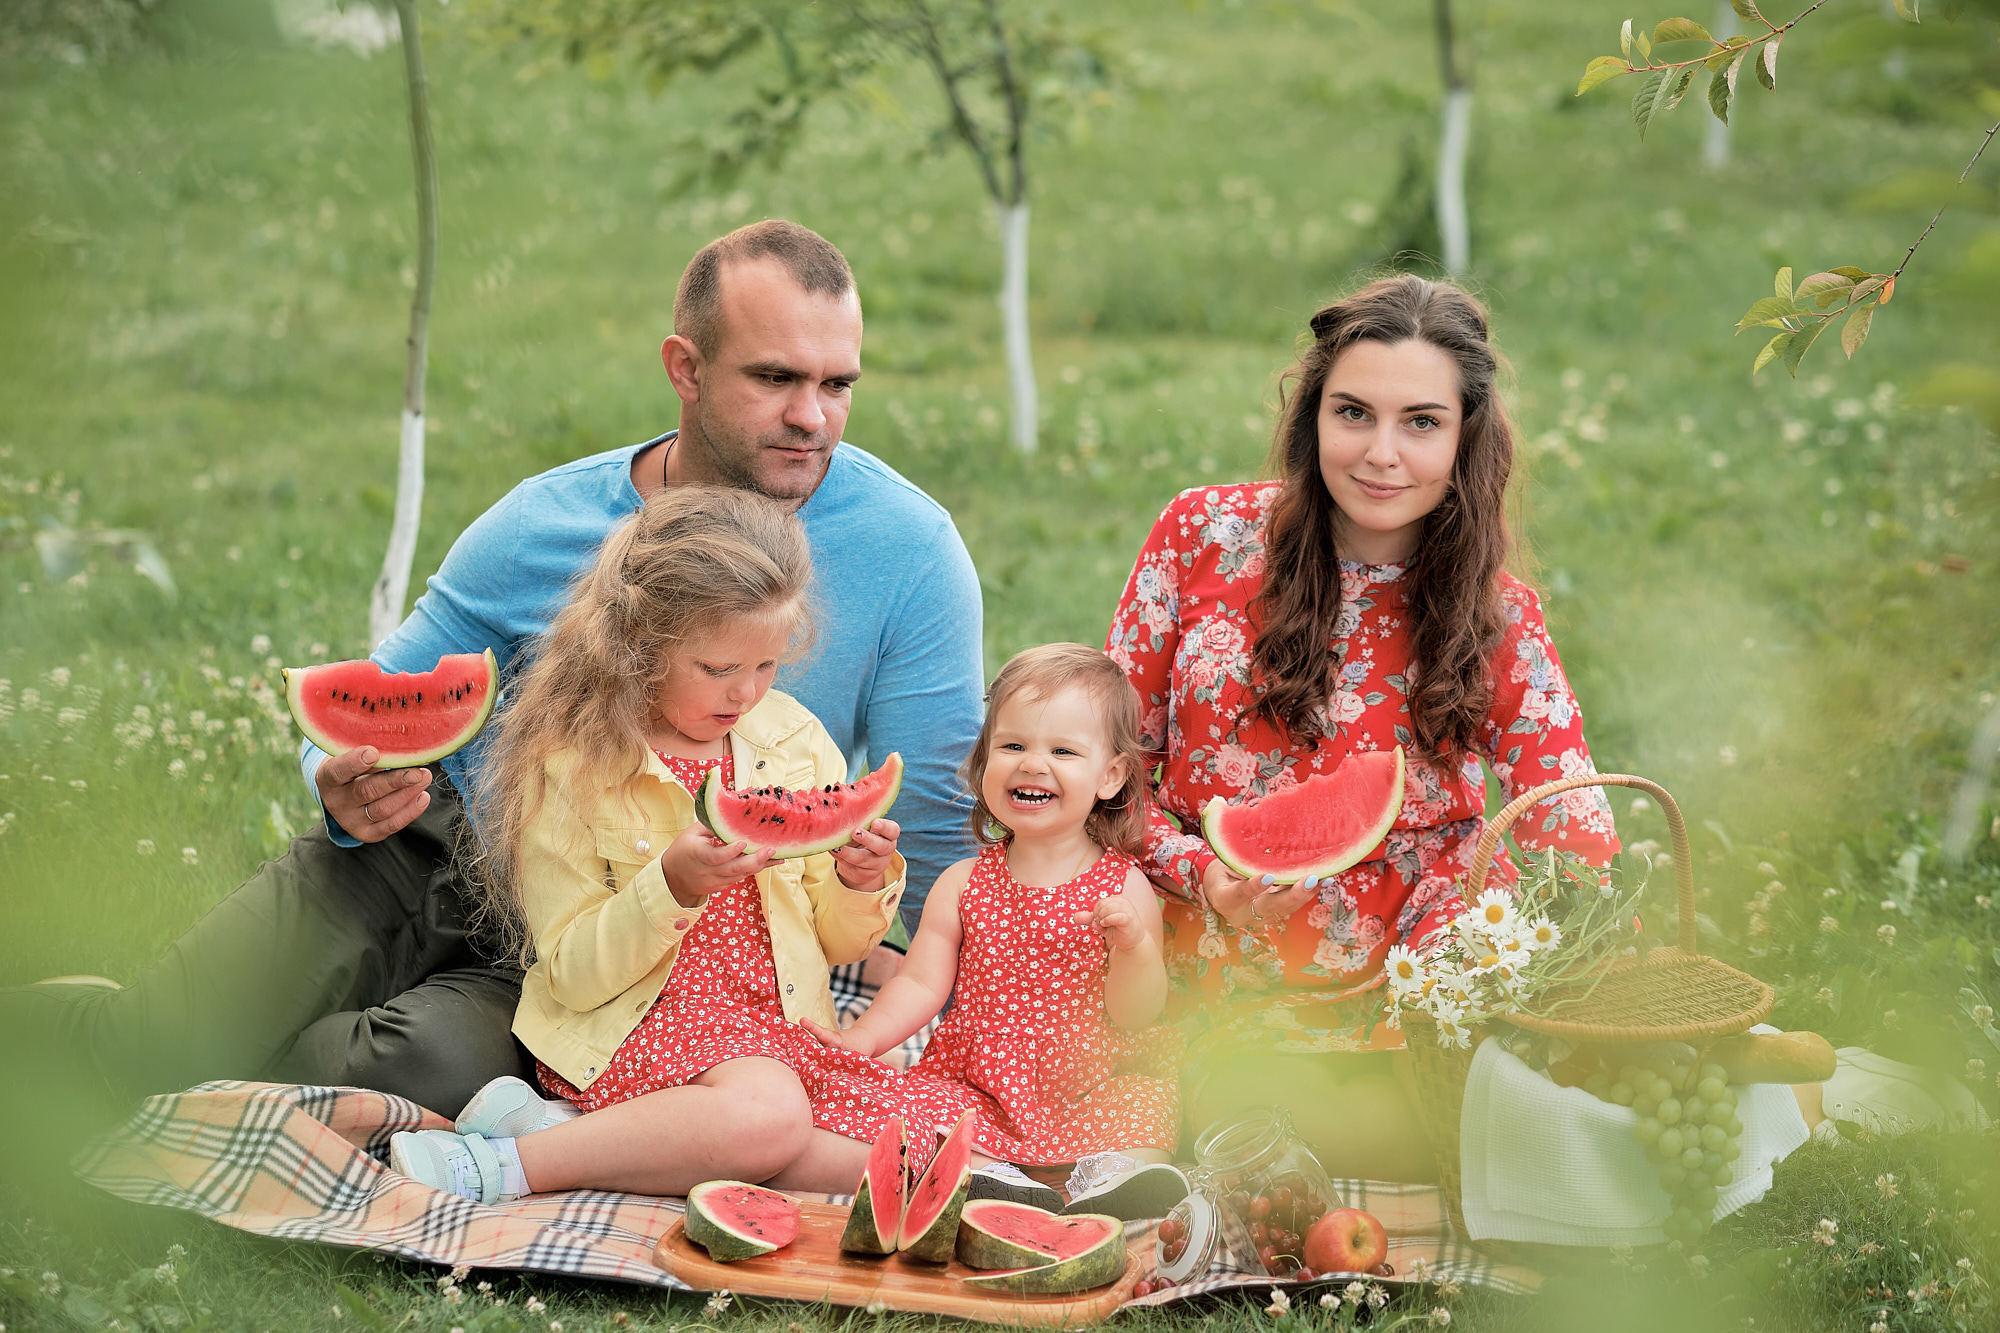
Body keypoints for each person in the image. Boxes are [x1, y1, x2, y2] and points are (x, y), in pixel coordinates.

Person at [7, 220, 982, 1133]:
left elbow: (934, 822)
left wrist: (903, 967)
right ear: (683, 369)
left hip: (596, 949)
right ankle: (139, 1029)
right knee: (135, 1048)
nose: (810, 416)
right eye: (774, 377)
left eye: (836, 382)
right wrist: (337, 776)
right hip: (422, 854)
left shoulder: (909, 548)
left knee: (416, 1071)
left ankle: (266, 1051)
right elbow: (378, 699)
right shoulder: (541, 522)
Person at [1104, 276, 1621, 1180]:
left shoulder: (1501, 617)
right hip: (1197, 979)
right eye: (1354, 414)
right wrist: (1203, 874)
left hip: (1408, 1021)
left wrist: (1469, 952)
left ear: (1468, 438)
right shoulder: (1198, 537)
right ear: (1313, 420)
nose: (1382, 454)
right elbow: (1107, 773)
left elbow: (1574, 846)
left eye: (1421, 422)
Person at [391, 488, 919, 1201]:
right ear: (641, 647)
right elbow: (573, 971)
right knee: (771, 1114)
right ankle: (506, 1169)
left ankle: (558, 1133)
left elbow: (835, 944)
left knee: (896, 1157)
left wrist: (859, 885)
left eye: (767, 666)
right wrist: (670, 883)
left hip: (779, 1029)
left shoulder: (793, 739)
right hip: (640, 1029)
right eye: (719, 669)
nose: (747, 693)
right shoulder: (573, 765)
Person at [807, 643, 1188, 1221]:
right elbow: (918, 985)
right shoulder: (963, 881)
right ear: (985, 762)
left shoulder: (1124, 887)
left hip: (1092, 1085)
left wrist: (1134, 948)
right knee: (916, 1103)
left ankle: (1114, 1178)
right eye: (1013, 746)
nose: (1033, 763)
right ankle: (992, 1176)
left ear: (1110, 776)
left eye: (1063, 750)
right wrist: (863, 1041)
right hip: (980, 1083)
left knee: (1145, 1102)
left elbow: (1137, 1014)